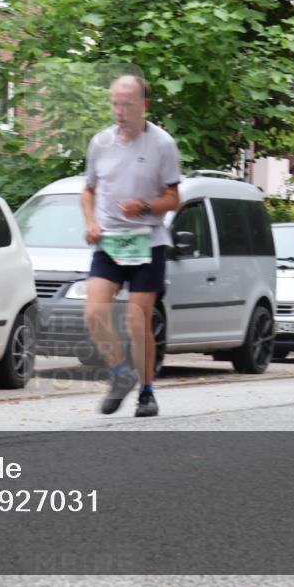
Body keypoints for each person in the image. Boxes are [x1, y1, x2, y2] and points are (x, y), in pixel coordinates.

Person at [82, 75, 180, 417]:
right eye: (115, 104)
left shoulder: (163, 145)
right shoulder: (99, 143)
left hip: (146, 241)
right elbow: (89, 190)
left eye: (128, 104)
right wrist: (90, 223)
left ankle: (147, 392)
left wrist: (146, 207)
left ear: (144, 106)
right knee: (94, 312)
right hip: (110, 241)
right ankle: (121, 374)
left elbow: (174, 198)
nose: (120, 111)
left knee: (137, 320)